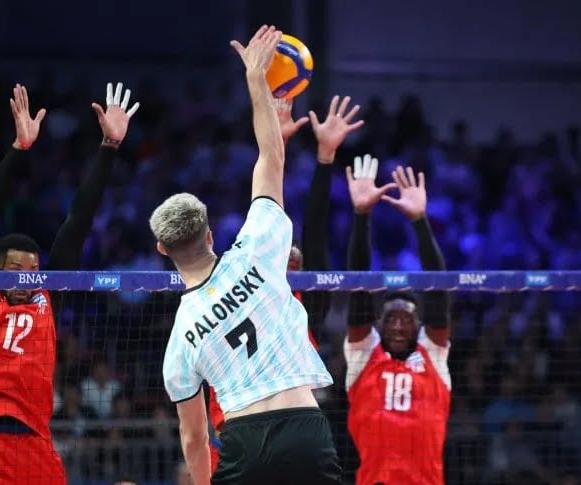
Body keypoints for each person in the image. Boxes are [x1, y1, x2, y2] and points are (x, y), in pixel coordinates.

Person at [150, 25, 341, 485]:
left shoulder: (180, 337)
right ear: (212, 234)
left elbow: (194, 439)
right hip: (305, 427)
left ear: (163, 250)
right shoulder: (256, 249)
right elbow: (270, 158)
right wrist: (258, 83)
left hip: (243, 439)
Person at [0, 82, 139, 484]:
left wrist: (108, 148)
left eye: (33, 271)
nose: (26, 279)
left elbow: (76, 226)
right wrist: (19, 150)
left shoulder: (46, 298)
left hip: (36, 446)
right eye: (16, 269)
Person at [204, 93, 364, 473]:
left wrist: (324, 159)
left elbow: (315, 235)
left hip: (288, 432)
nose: (291, 262)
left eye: (297, 263)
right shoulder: (234, 290)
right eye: (284, 259)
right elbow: (262, 214)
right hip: (234, 429)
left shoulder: (302, 307)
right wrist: (277, 147)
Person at [343, 155, 453, 485]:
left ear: (418, 324)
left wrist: (420, 220)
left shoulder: (433, 353)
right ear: (379, 323)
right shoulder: (364, 355)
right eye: (391, 318)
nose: (398, 325)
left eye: (406, 318)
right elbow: (359, 287)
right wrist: (361, 215)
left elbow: (438, 293)